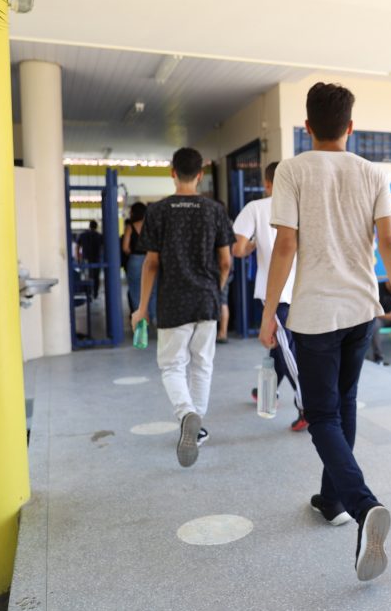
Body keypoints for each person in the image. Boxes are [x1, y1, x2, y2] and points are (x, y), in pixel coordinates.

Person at [260, 82, 391, 582]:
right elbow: (389, 244)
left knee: (322, 415)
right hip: (362, 310)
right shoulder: (372, 172)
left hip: (315, 314)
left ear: (306, 127)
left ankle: (361, 501)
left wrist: (269, 311)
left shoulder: (292, 170)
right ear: (350, 127)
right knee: (345, 403)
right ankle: (332, 501)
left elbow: (285, 245)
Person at [132, 148, 233, 468]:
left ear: (172, 172)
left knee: (172, 366)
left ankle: (186, 414)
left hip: (173, 300)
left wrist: (141, 308)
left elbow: (150, 264)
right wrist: (214, 292)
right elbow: (226, 261)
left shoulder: (158, 211)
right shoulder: (214, 210)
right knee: (202, 365)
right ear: (200, 174)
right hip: (206, 299)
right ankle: (197, 427)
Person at [233, 161, 307, 432]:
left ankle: (306, 406)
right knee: (281, 346)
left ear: (267, 184)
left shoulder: (256, 207)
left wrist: (255, 245)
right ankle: (266, 390)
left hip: (275, 292)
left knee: (288, 352)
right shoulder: (302, 207)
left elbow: (238, 249)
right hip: (303, 290)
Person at [123, 202, 157, 323]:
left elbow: (125, 247)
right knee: (153, 289)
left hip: (135, 260)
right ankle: (152, 316)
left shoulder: (130, 227)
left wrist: (132, 252)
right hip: (151, 258)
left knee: (135, 291)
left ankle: (141, 320)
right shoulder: (152, 226)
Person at [76, 220, 104, 299]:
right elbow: (103, 248)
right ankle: (95, 293)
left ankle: (88, 293)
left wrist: (78, 258)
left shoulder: (83, 235)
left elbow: (77, 247)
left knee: (87, 277)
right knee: (96, 277)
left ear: (89, 226)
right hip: (97, 259)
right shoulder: (99, 236)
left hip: (86, 259)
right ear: (96, 227)